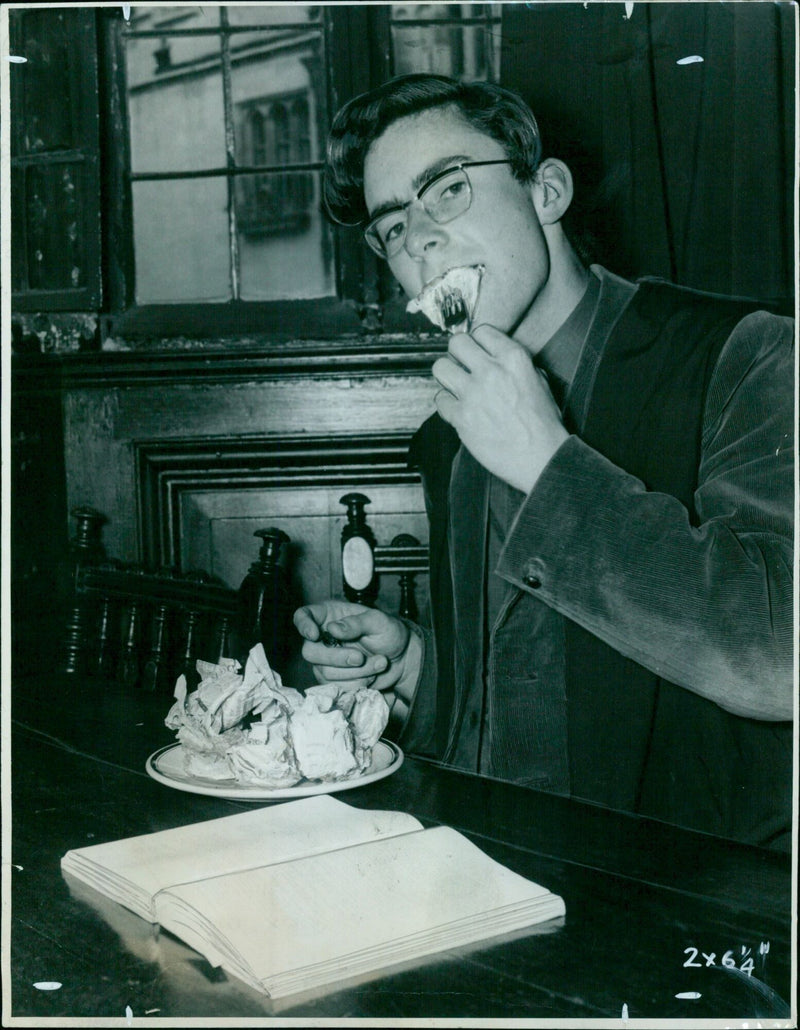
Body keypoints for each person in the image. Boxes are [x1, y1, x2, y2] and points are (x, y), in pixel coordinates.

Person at [293, 74, 794, 848]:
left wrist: (548, 462)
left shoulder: (745, 353)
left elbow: (779, 656)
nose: (418, 238)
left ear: (548, 192)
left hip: (688, 905)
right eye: (392, 226)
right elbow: (522, 697)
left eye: (447, 190)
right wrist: (415, 668)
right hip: (494, 880)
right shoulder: (448, 431)